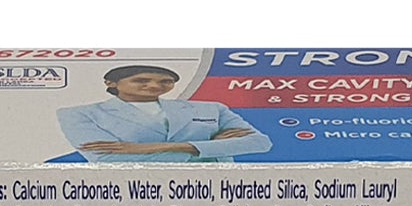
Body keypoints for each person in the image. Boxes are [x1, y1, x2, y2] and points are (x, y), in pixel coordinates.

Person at [57, 64, 270, 162]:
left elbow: (260, 143)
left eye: (165, 82)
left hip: (213, 189)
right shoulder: (79, 114)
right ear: (111, 83)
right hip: (136, 193)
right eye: (141, 80)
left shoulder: (211, 108)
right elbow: (106, 158)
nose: (154, 86)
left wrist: (149, 148)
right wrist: (210, 147)